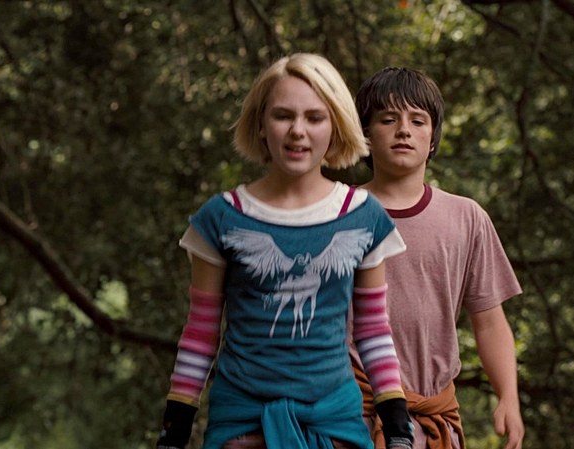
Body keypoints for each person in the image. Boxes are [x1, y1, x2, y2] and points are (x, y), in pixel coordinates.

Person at [155, 54, 415, 449]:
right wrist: (174, 432)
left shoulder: (363, 216)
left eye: (314, 118)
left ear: (335, 125)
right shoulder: (222, 217)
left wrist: (397, 428)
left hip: (335, 422)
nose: (298, 131)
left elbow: (372, 329)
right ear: (261, 124)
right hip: (241, 423)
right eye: (282, 116)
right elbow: (201, 332)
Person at [350, 67, 525, 449]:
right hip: (349, 418)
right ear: (365, 134)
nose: (404, 130)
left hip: (432, 422)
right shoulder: (337, 212)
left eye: (418, 121)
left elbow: (489, 322)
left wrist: (508, 397)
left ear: (432, 140)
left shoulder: (466, 217)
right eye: (388, 119)